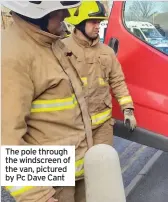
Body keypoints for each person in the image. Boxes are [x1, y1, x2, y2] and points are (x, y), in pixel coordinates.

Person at [1, 1, 94, 202]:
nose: (67, 14)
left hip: (72, 173)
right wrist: (39, 197)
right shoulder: (12, 56)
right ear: (36, 13)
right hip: (50, 185)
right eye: (59, 9)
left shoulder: (50, 43)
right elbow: (5, 140)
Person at [63, 1, 137, 147]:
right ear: (79, 23)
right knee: (76, 168)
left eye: (99, 22)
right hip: (73, 127)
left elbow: (118, 82)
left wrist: (128, 110)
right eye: (93, 22)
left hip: (102, 128)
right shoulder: (61, 49)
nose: (98, 26)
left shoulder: (107, 52)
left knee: (103, 165)